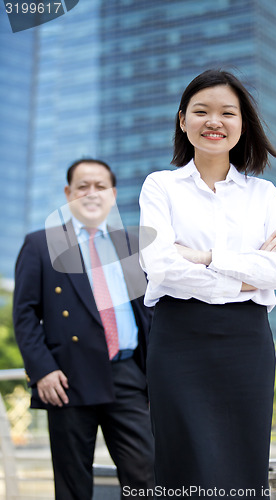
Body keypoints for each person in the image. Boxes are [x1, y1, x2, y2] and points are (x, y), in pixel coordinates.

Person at [139, 70, 276, 498]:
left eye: (227, 112)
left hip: (245, 343)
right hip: (179, 340)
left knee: (243, 465)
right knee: (182, 464)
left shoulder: (263, 195)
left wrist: (209, 258)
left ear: (242, 124)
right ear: (182, 121)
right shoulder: (160, 187)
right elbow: (159, 267)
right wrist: (248, 276)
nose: (214, 121)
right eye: (202, 111)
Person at [13, 159, 154, 500]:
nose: (92, 193)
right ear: (68, 193)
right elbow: (25, 315)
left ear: (113, 194)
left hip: (129, 376)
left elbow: (151, 310)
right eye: (83, 186)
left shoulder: (131, 245)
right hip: (67, 380)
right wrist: (42, 370)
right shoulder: (40, 244)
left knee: (147, 477)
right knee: (73, 484)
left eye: (100, 186)